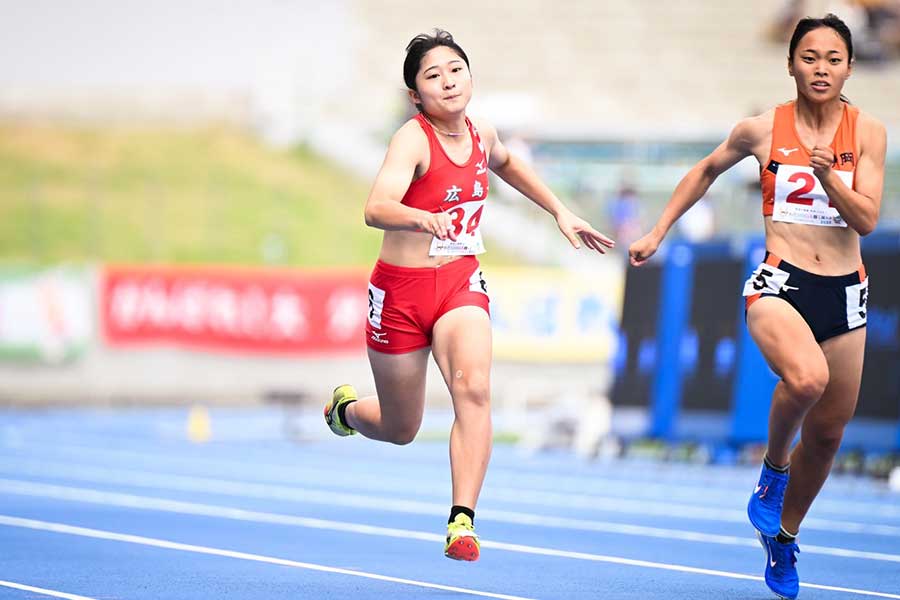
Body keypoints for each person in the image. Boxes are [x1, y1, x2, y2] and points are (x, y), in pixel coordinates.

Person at [324, 29, 614, 562]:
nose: (448, 81)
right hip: (400, 293)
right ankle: (346, 410)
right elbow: (375, 207)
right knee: (401, 427)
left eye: (455, 69)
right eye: (433, 76)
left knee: (474, 388)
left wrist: (559, 210)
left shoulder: (483, 131)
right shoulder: (412, 140)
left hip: (459, 281)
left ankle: (463, 520)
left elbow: (506, 163)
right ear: (416, 95)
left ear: (470, 77)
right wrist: (420, 217)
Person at [629, 14, 885, 600]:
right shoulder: (761, 129)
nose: (821, 69)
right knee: (806, 379)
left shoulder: (869, 132)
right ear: (791, 64)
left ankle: (784, 536)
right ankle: (772, 471)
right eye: (809, 57)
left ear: (849, 68)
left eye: (833, 59)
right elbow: (705, 170)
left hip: (846, 291)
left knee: (827, 436)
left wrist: (830, 178)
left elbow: (867, 219)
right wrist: (658, 231)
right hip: (781, 281)